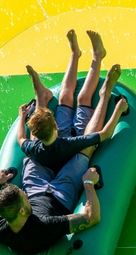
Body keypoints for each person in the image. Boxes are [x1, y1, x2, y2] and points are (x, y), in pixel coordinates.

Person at [0, 61, 124, 255]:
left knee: (34, 153)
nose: (23, 193)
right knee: (85, 151)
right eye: (22, 195)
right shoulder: (45, 226)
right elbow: (91, 217)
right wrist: (89, 184)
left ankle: (41, 98)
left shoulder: (0, 226)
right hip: (60, 195)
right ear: (22, 211)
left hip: (36, 186)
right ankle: (104, 95)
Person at [17, 30, 129, 173]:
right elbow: (105, 134)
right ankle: (98, 55)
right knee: (83, 98)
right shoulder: (70, 144)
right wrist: (118, 110)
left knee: (64, 96)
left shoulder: (35, 148)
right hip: (72, 145)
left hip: (57, 141)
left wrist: (22, 119)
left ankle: (75, 54)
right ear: (55, 124)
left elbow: (21, 138)